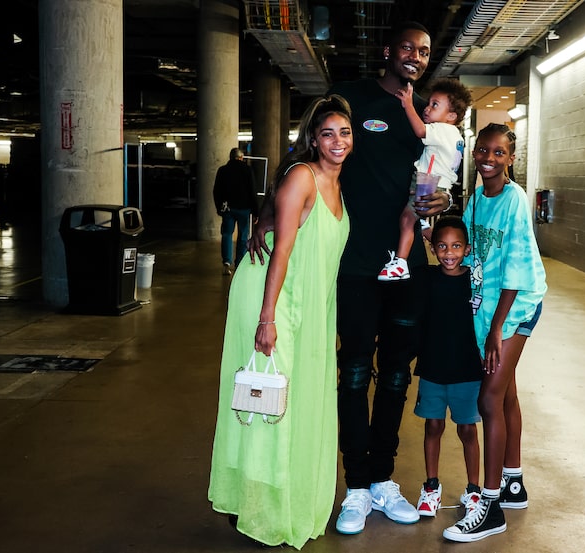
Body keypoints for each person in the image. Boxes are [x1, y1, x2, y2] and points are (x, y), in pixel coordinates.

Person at [249, 21, 452, 536]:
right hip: (355, 265)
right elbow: (306, 152)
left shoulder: (428, 114)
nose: (415, 57)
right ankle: (357, 486)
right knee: (356, 373)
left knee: (398, 376)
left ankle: (384, 478)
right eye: (407, 48)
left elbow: (439, 176)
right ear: (388, 52)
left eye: (424, 52)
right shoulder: (350, 99)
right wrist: (272, 208)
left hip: (407, 267)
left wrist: (445, 201)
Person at [208, 95, 353, 549]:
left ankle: (282, 498)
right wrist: (266, 318)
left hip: (309, 303)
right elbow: (284, 250)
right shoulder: (302, 177)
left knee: (294, 400)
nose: (337, 141)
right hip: (274, 298)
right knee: (270, 404)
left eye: (345, 132)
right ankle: (258, 506)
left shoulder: (338, 182)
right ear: (312, 138)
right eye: (327, 133)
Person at [442, 123, 547, 542]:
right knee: (506, 394)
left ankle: (491, 506)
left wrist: (496, 330)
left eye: (498, 153)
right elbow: (472, 256)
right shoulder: (474, 201)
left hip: (516, 305)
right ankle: (513, 481)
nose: (488, 158)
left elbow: (517, 273)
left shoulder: (515, 201)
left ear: (510, 158)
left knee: (488, 399)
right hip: (487, 308)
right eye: (482, 151)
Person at [412, 216, 482, 518]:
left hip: (467, 370)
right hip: (433, 368)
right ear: (433, 248)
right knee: (434, 426)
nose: (449, 253)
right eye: (442, 246)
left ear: (467, 249)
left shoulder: (476, 281)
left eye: (456, 246)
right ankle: (431, 487)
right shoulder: (426, 278)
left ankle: (474, 490)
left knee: (467, 429)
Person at [377, 78, 473, 281]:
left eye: (435, 105)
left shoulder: (443, 129)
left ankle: (400, 264)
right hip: (437, 183)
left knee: (406, 219)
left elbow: (420, 130)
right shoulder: (455, 135)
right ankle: (449, 250)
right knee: (419, 223)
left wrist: (408, 104)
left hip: (428, 182)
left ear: (451, 116)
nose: (427, 109)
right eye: (429, 103)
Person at [213, 147, 258, 275]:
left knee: (227, 234)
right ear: (241, 157)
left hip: (228, 208)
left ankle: (226, 262)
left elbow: (216, 191)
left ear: (230, 157)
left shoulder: (223, 170)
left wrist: (219, 207)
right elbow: (252, 191)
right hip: (244, 208)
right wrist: (256, 212)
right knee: (243, 236)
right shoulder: (247, 170)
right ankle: (239, 264)